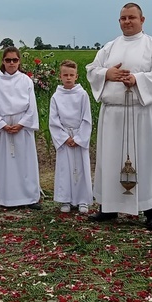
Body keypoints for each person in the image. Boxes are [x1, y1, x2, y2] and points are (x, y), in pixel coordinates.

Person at [86, 3, 152, 229]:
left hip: (141, 112)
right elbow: (91, 70)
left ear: (142, 20)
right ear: (119, 21)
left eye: (131, 17)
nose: (127, 21)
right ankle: (108, 207)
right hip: (113, 114)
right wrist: (107, 73)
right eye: (123, 18)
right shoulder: (109, 47)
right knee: (110, 159)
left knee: (145, 160)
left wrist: (137, 80)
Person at [0, 47, 41, 209]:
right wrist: (2, 125)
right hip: (3, 128)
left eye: (14, 60)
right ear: (3, 61)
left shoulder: (25, 80)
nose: (11, 63)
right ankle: (3, 197)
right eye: (8, 60)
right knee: (3, 164)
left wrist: (22, 123)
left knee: (26, 163)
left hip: (21, 127)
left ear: (19, 61)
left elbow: (32, 107)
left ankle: (30, 197)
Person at [49, 60, 93, 214]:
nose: (68, 78)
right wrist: (64, 137)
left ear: (76, 76)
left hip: (78, 136)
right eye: (65, 75)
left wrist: (79, 138)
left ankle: (82, 200)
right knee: (64, 169)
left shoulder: (82, 95)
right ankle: (65, 199)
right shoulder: (56, 96)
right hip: (65, 138)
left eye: (71, 75)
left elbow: (86, 118)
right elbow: (53, 120)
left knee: (81, 168)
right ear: (60, 76)